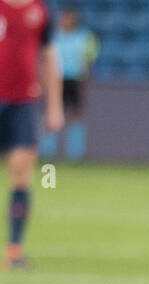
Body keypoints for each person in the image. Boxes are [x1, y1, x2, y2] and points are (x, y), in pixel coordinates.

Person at [0, 0, 61, 270]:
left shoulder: (42, 10)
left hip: (24, 102)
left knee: (21, 171)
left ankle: (14, 249)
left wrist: (54, 105)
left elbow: (48, 55)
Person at [44, 4, 96, 161]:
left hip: (75, 78)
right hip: (57, 79)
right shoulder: (53, 36)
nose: (65, 20)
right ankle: (47, 152)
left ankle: (75, 154)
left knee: (75, 114)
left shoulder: (84, 37)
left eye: (68, 16)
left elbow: (88, 61)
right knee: (52, 112)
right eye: (63, 16)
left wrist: (87, 80)